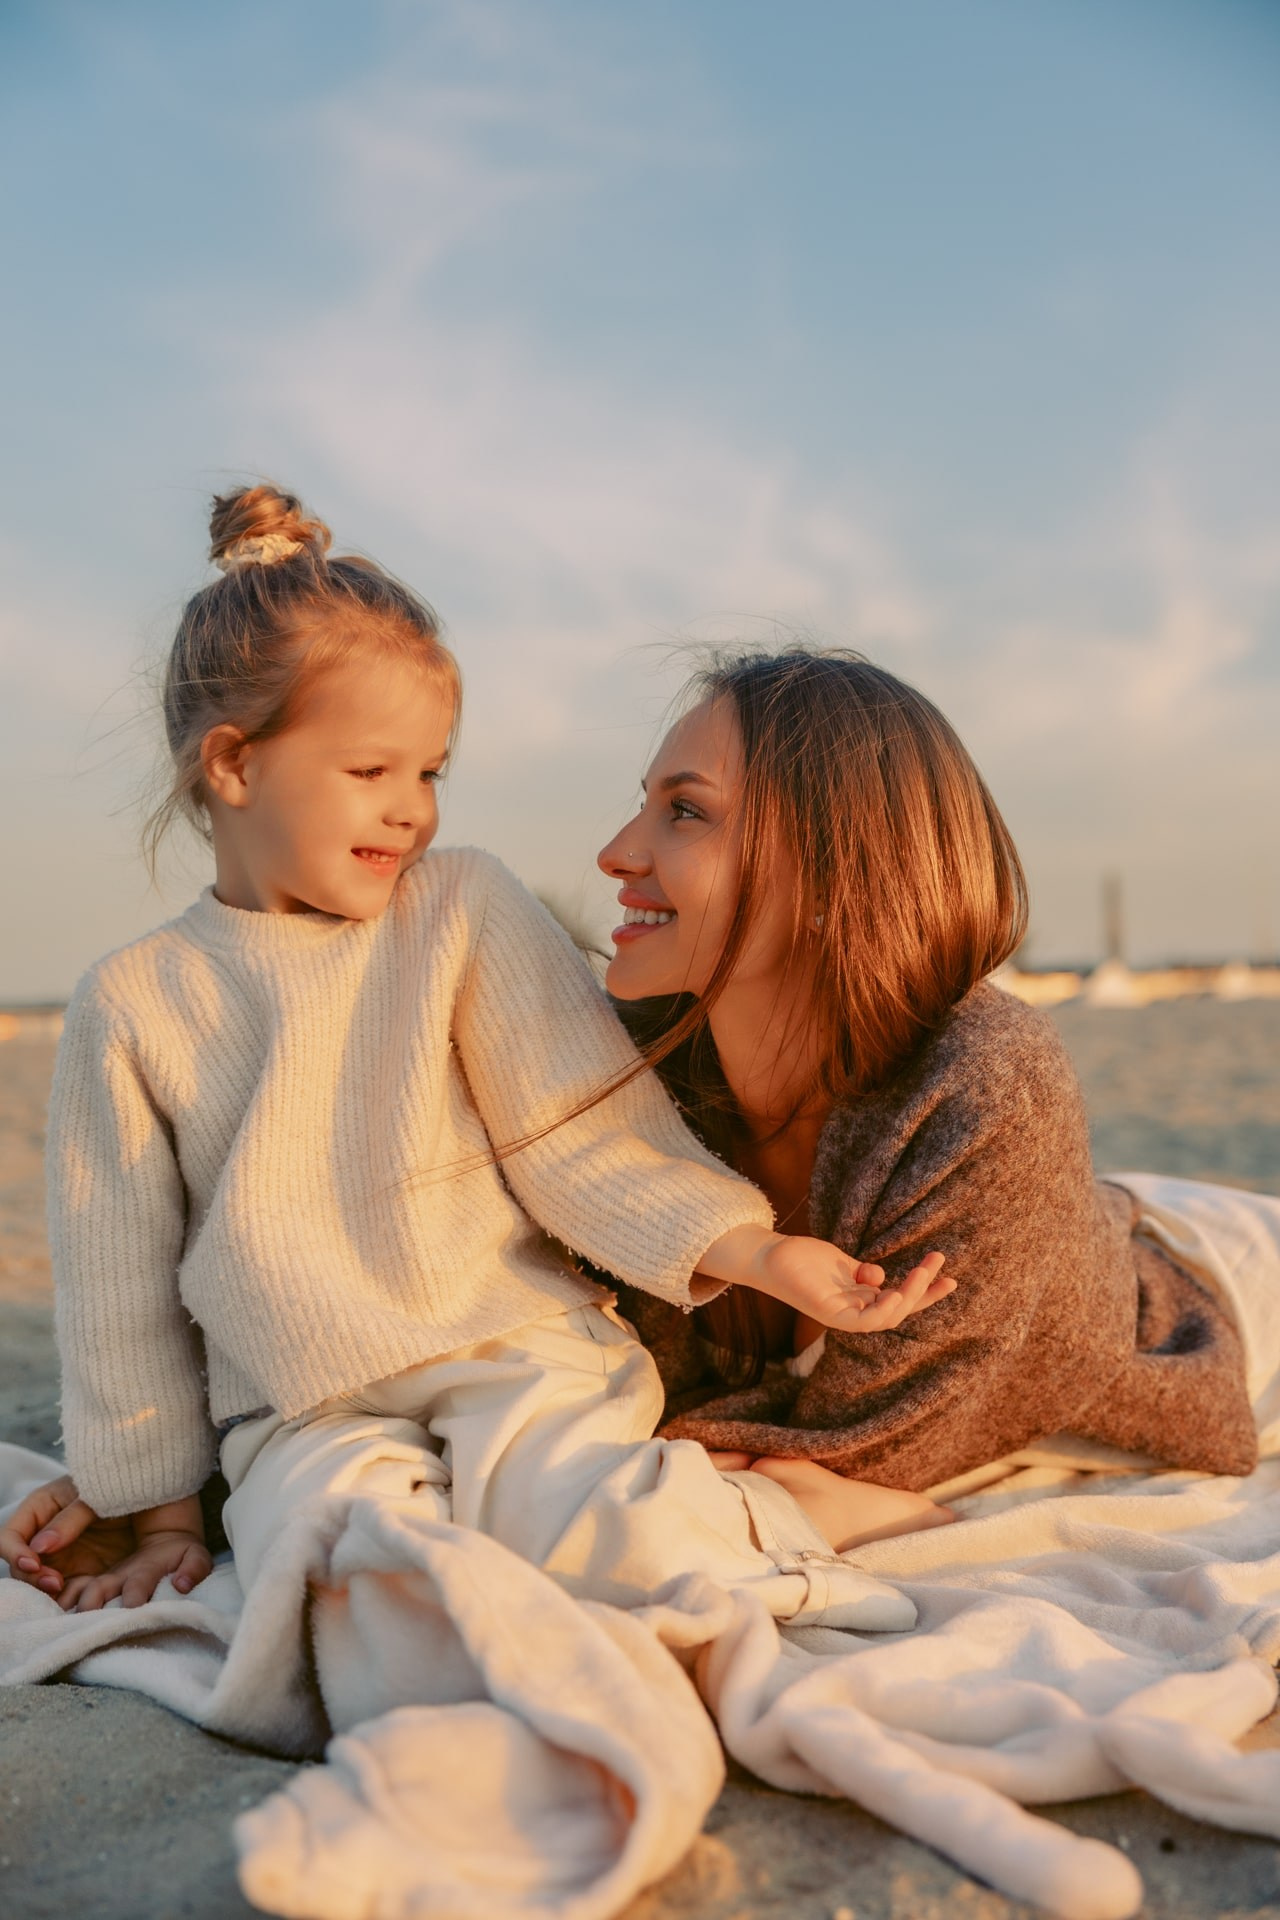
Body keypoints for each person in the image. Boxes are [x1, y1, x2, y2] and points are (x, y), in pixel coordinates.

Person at [0, 488, 955, 1620]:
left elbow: (579, 1129)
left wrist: (754, 1251)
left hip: (520, 1348)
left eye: (430, 773)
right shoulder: (132, 1000)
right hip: (302, 1406)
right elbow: (120, 1290)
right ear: (233, 766)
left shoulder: (462, 908)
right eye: (372, 772)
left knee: (586, 1535)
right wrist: (156, 1513)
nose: (412, 811)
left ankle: (793, 1512)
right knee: (341, 1574)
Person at [595, 648, 1274, 1542]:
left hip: (1216, 1292)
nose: (615, 853)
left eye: (685, 810)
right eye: (645, 803)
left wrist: (702, 1450)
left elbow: (867, 1445)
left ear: (835, 870)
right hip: (1064, 1219)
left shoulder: (986, 1080)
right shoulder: (623, 1066)